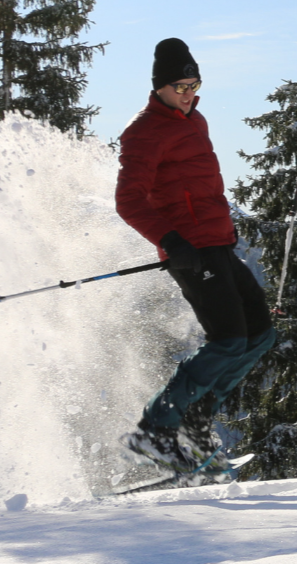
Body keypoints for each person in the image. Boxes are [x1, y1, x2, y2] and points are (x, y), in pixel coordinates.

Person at [115, 38, 275, 471]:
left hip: (218, 242)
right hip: (191, 251)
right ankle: (156, 428)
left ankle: (199, 420)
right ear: (160, 87)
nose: (188, 93)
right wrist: (171, 241)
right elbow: (128, 200)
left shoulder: (195, 120)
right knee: (227, 341)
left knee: (260, 333)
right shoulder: (145, 130)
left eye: (193, 83)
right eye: (179, 85)